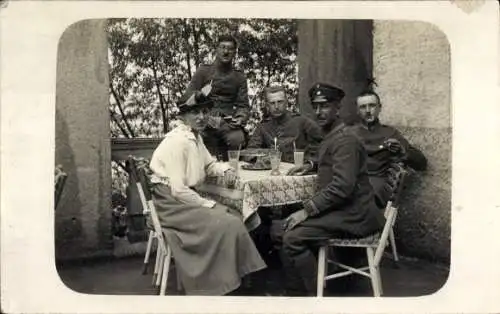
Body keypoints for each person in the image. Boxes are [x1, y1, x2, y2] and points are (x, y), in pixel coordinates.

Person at [148, 91, 266, 296]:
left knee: (235, 215)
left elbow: (210, 165)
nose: (201, 117)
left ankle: (236, 278)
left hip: (182, 196)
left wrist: (227, 169)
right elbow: (178, 189)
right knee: (227, 222)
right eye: (195, 112)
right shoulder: (178, 141)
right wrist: (208, 204)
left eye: (204, 111)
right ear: (182, 116)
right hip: (171, 202)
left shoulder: (195, 136)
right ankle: (220, 285)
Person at [282, 83, 385, 296]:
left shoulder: (345, 139)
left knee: (292, 236)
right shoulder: (334, 134)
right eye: (315, 107)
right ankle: (309, 284)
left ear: (337, 107)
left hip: (355, 214)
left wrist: (307, 210)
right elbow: (334, 162)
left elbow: (342, 187)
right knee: (287, 224)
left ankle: (319, 297)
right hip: (348, 209)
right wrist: (311, 165)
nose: (319, 112)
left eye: (325, 106)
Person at [351, 84, 427, 208]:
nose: (368, 110)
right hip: (351, 181)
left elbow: (421, 163)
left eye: (372, 105)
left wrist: (402, 151)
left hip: (375, 185)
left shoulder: (390, 133)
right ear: (357, 111)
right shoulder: (348, 133)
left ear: (380, 108)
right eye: (363, 107)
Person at [185, 34, 250, 160]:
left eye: (230, 49)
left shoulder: (239, 77)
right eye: (223, 47)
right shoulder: (203, 71)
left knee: (238, 139)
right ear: (217, 49)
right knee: (193, 139)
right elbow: (187, 97)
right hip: (204, 120)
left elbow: (243, 105)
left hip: (227, 123)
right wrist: (201, 96)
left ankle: (232, 173)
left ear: (234, 52)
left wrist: (240, 118)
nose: (226, 52)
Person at [247, 85, 323, 163]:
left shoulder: (302, 122)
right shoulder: (263, 127)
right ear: (267, 105)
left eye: (280, 102)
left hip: (299, 170)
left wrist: (310, 163)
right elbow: (250, 152)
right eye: (272, 103)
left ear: (286, 102)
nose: (276, 107)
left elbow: (323, 146)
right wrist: (263, 157)